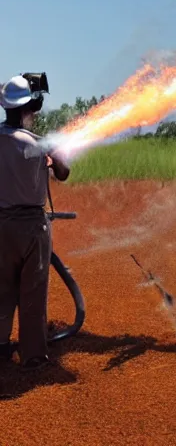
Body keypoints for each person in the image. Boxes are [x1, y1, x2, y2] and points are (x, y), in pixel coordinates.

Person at [0, 74, 70, 371]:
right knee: (33, 291)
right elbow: (64, 172)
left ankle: (1, 348)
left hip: (2, 226)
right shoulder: (39, 144)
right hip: (32, 227)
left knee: (2, 290)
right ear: (30, 106)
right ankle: (33, 356)